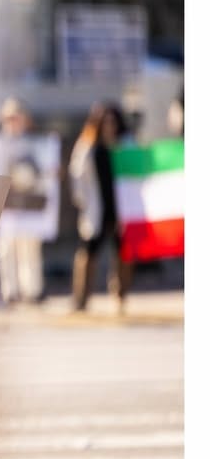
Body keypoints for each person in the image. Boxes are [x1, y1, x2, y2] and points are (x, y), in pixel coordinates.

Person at [68, 101, 132, 313]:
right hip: (97, 207)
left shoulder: (126, 145)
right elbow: (77, 176)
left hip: (121, 207)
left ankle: (120, 294)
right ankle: (81, 298)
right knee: (88, 251)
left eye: (113, 122)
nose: (109, 126)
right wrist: (82, 201)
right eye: (105, 122)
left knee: (123, 251)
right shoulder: (87, 145)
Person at [0, 97, 46, 304]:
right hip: (8, 203)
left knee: (29, 245)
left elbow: (40, 171)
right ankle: (10, 291)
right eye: (10, 118)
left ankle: (32, 290)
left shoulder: (33, 143)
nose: (14, 122)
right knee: (7, 247)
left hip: (28, 203)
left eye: (17, 117)